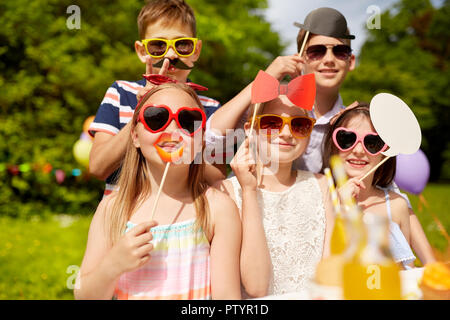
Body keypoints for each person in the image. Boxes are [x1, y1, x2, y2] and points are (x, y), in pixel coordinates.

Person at [75, 83, 241, 300]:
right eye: (156, 118)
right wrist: (112, 265)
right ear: (134, 136)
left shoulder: (218, 208)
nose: (172, 131)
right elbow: (84, 296)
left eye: (188, 121)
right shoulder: (113, 209)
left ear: (201, 140)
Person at [88, 0, 225, 197]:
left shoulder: (211, 108)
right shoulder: (120, 93)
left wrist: (189, 142)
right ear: (142, 51)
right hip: (122, 218)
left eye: (182, 45)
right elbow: (98, 167)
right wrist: (142, 111)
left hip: (186, 218)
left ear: (196, 50)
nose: (170, 55)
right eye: (158, 46)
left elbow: (218, 180)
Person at [214, 83, 335, 298]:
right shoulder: (226, 192)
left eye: (299, 125)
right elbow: (257, 287)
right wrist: (249, 192)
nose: (287, 133)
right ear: (250, 129)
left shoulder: (323, 185)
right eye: (272, 123)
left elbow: (330, 273)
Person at [208, 7, 356, 174]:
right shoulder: (272, 104)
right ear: (300, 59)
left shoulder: (352, 124)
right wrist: (265, 79)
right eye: (317, 51)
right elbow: (211, 137)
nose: (329, 59)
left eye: (340, 51)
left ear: (350, 61)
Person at [323, 102, 417, 269]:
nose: (359, 150)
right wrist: (339, 208)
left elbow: (405, 271)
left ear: (385, 152)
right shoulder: (321, 200)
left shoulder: (396, 206)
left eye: (373, 142)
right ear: (333, 144)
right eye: (347, 139)